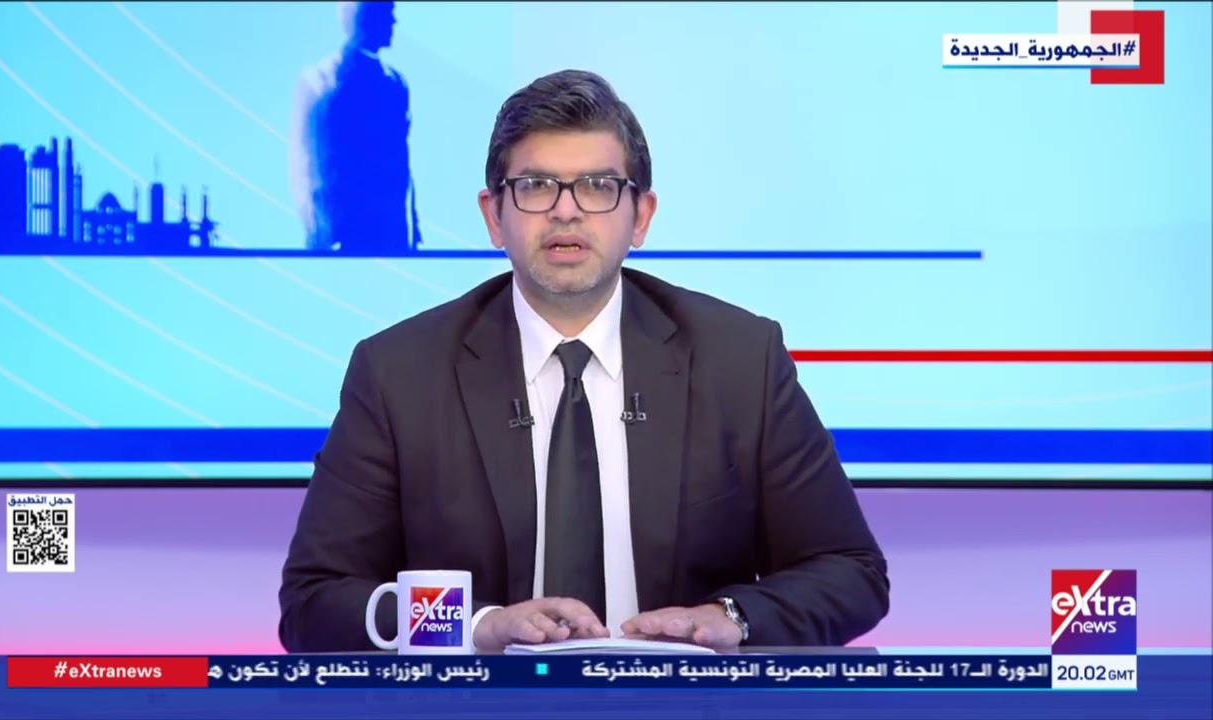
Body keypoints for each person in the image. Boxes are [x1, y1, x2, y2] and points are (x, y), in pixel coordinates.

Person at [278, 69, 889, 653]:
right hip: (479, 706)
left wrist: (731, 618)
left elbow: (850, 572)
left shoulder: (739, 359)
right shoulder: (399, 373)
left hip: (684, 704)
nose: (566, 211)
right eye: (536, 186)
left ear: (640, 216)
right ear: (494, 216)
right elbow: (314, 602)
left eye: (597, 186)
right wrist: (476, 626)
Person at [287, 1, 422, 255]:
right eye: (386, 14)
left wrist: (412, 232)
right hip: (340, 238)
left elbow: (402, 165)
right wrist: (320, 235)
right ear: (361, 17)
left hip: (390, 237)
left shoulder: (395, 84)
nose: (393, 22)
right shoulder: (319, 81)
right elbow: (305, 165)